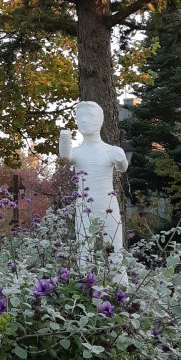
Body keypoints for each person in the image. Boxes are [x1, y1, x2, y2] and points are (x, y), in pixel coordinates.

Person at [59, 101, 129, 282]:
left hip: (108, 206)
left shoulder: (111, 151)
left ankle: (122, 291)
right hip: (84, 208)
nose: (83, 120)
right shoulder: (77, 152)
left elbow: (122, 168)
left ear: (100, 120)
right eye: (79, 117)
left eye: (88, 116)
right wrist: (64, 138)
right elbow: (65, 156)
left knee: (115, 253)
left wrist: (121, 158)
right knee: (84, 254)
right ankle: (86, 288)